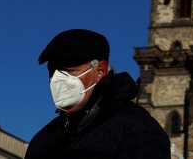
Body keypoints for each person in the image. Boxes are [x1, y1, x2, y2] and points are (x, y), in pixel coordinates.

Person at [26, 29, 169, 158]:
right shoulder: (43, 139)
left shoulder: (135, 128)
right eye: (52, 71)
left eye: (68, 70)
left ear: (100, 71)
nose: (57, 79)